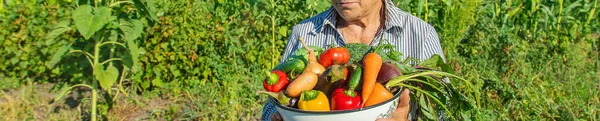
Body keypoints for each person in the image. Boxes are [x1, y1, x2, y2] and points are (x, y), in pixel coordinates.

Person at [261, 0, 446, 120]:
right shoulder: (305, 34)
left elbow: (443, 112)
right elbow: (271, 108)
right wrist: (276, 117)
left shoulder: (420, 35)